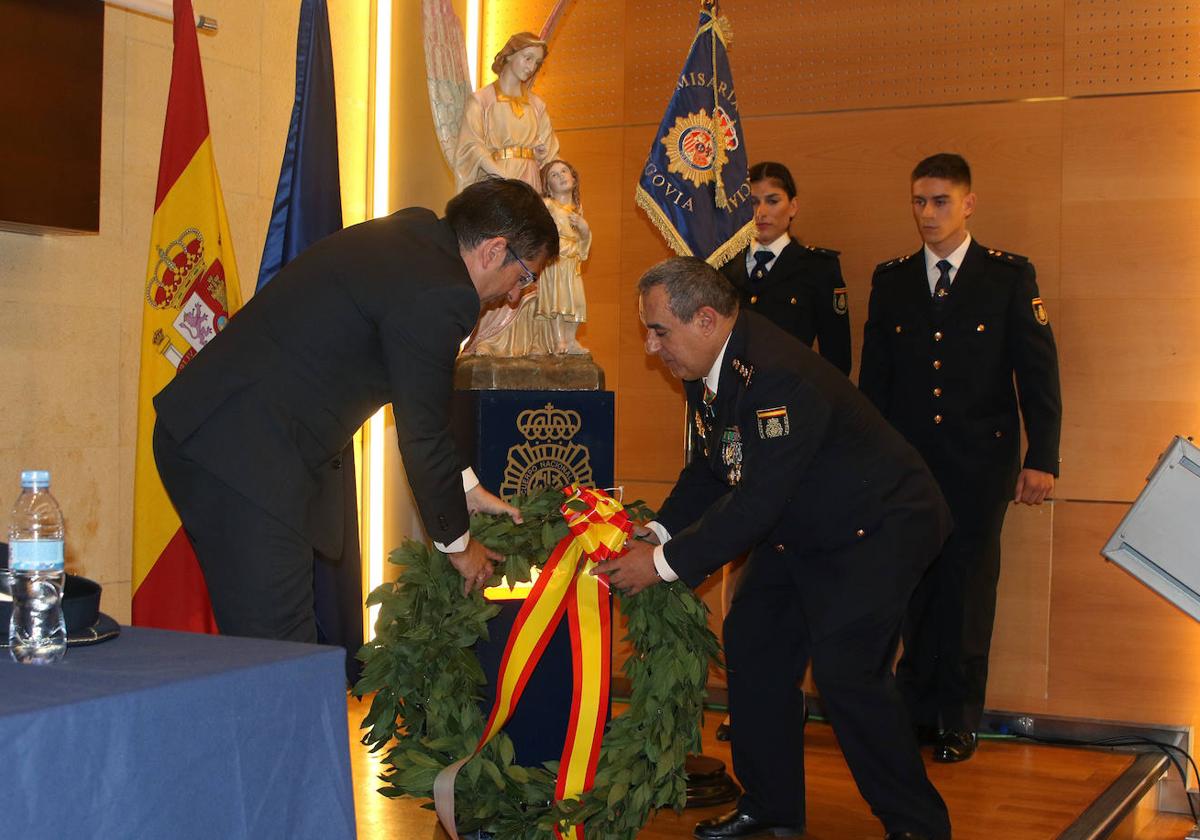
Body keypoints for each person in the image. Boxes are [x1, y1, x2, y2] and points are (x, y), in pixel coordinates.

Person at [595, 257, 952, 840]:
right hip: (803, 521)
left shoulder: (776, 375)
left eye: (659, 330)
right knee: (754, 641)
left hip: (879, 525)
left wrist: (659, 567)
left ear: (706, 319)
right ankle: (771, 810)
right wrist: (658, 531)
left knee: (846, 674)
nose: (651, 346)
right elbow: (714, 467)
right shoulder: (707, 368)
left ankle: (917, 827)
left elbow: (757, 503)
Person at [152, 178, 560, 643]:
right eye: (524, 277)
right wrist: (460, 545)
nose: (513, 295)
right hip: (242, 454)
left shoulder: (416, 235)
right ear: (493, 250)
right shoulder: (444, 294)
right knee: (280, 654)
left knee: (261, 649)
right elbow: (421, 433)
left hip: (219, 433)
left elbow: (425, 410)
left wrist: (464, 488)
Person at [859, 153, 1062, 763]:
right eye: (918, 201)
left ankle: (957, 716)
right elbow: (875, 382)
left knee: (968, 590)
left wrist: (1042, 456)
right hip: (909, 467)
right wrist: (868, 464)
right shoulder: (891, 279)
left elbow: (1038, 374)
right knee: (914, 585)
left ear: (968, 203)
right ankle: (916, 711)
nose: (927, 213)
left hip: (981, 466)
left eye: (940, 201)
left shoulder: (1007, 277)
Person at [456, 31, 561, 353]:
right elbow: (470, 144)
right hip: (499, 184)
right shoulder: (483, 100)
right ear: (509, 56)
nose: (531, 67)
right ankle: (489, 339)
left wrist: (549, 165)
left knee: (530, 258)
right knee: (501, 258)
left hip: (530, 183)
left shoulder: (537, 106)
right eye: (527, 59)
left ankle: (527, 342)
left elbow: (552, 152)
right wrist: (497, 171)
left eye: (537, 63)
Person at [720, 161, 851, 375]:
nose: (760, 212)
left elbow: (836, 359)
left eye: (772, 201)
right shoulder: (724, 266)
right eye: (752, 202)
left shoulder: (818, 268)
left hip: (791, 397)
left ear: (793, 206)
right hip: (734, 400)